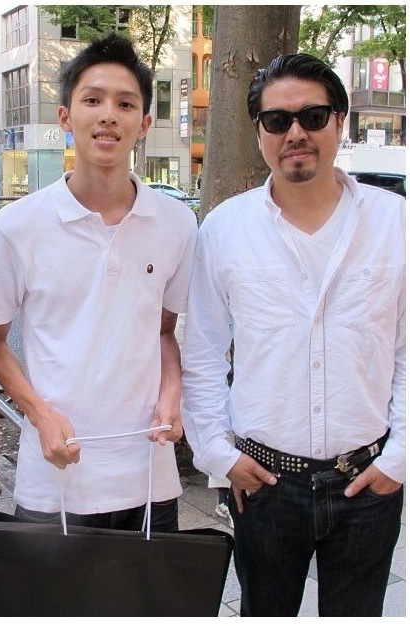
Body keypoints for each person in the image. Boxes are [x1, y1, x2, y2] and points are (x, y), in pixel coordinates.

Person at [181, 53, 404, 617]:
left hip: (368, 479)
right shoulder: (226, 229)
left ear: (340, 121)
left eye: (313, 116)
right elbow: (203, 352)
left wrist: (398, 459)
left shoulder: (394, 222)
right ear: (259, 131)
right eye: (278, 120)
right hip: (264, 484)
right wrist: (217, 454)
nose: (296, 133)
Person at [0, 32, 197, 531]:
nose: (108, 116)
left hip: (148, 476)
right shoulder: (17, 226)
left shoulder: (177, 223)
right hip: (55, 476)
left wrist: (173, 393)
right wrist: (38, 413)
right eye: (93, 100)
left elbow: (165, 331)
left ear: (144, 123)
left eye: (126, 104)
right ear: (65, 116)